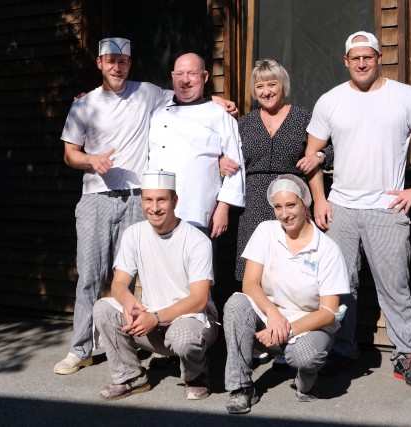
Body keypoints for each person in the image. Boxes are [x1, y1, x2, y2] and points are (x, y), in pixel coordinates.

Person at [56, 39, 236, 375]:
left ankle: (130, 341)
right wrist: (91, 160)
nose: (117, 67)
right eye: (110, 61)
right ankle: (79, 348)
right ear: (99, 63)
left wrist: (217, 100)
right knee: (91, 275)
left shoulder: (148, 93)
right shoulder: (84, 105)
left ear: (130, 63)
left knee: (140, 275)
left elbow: (185, 94)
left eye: (123, 61)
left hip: (139, 195)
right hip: (96, 196)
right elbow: (69, 153)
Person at [299, 31, 411, 389]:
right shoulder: (330, 100)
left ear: (380, 58)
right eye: (355, 58)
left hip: (387, 207)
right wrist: (319, 199)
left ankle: (407, 357)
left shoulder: (404, 96)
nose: (362, 63)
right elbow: (311, 155)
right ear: (345, 60)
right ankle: (343, 352)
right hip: (341, 209)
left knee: (395, 285)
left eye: (369, 56)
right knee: (340, 286)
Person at [230, 58, 333, 368]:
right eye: (259, 86)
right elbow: (225, 153)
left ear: (283, 86)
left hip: (291, 204)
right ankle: (255, 340)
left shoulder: (304, 117)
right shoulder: (244, 123)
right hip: (253, 205)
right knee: (251, 273)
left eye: (272, 84)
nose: (266, 90)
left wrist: (318, 158)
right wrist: (222, 163)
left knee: (292, 272)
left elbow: (329, 151)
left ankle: (292, 337)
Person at [223, 174, 349, 414]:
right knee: (235, 304)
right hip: (269, 316)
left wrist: (287, 329)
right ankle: (241, 387)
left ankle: (306, 384)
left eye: (291, 205)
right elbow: (249, 284)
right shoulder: (265, 231)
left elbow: (329, 312)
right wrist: (273, 315)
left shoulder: (327, 250)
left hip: (308, 324)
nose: (284, 214)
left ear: (305, 203)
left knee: (307, 356)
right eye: (278, 207)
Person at [92, 170, 218, 401]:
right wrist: (131, 304)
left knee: (182, 336)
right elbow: (119, 284)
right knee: (103, 308)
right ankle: (131, 377)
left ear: (175, 201)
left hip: (191, 320)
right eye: (148, 200)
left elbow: (199, 300)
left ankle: (196, 377)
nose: (155, 207)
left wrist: (156, 318)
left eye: (161, 200)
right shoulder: (133, 234)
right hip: (150, 319)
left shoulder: (196, 239)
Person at [148, 53, 245, 238]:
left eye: (192, 73)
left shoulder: (220, 115)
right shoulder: (157, 114)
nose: (185, 80)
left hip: (199, 212)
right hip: (157, 213)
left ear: (205, 76)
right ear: (172, 77)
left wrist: (223, 208)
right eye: (180, 74)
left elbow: (236, 167)